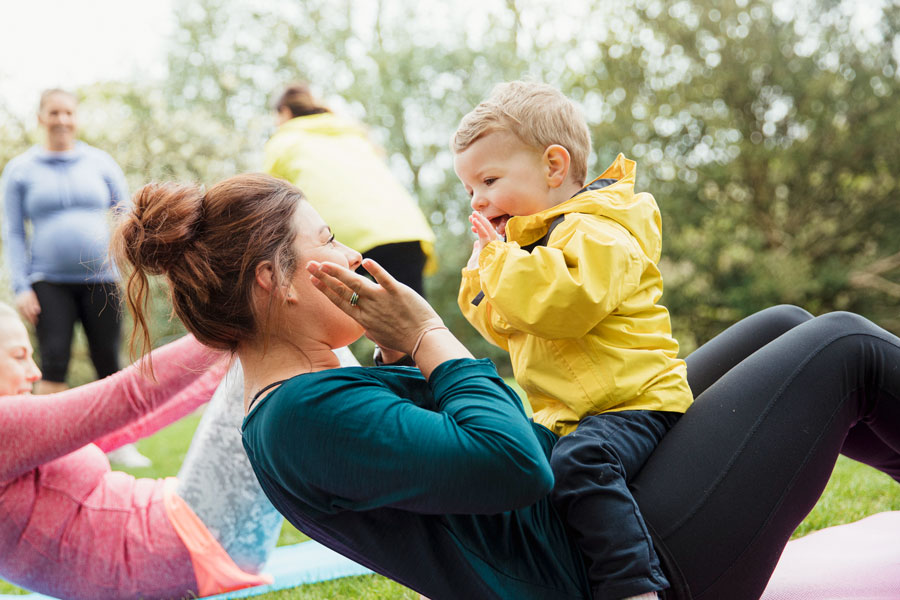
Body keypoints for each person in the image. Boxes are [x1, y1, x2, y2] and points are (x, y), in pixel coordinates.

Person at [112, 172, 900, 600]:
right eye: (327, 241)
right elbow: (513, 458)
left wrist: (403, 352)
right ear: (274, 282)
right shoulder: (300, 421)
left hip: (591, 517)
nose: (352, 256)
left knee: (785, 324)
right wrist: (426, 337)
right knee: (844, 347)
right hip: (615, 568)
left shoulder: (315, 392)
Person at [452, 81, 691, 599]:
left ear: (554, 167)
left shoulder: (595, 231)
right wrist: (481, 273)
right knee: (549, 467)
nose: (478, 199)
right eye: (470, 189)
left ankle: (634, 587)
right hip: (582, 412)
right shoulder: (533, 246)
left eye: (489, 179)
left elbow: (562, 306)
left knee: (581, 463)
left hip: (636, 402)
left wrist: (499, 261)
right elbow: (506, 324)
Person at [0, 301, 289, 600]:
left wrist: (221, 371)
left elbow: (130, 425)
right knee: (287, 347)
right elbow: (129, 395)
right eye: (19, 357)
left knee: (272, 350)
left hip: (188, 541)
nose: (34, 372)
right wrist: (234, 319)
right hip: (184, 550)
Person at [0, 88, 148, 467]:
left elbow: (126, 215)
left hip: (102, 278)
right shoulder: (20, 170)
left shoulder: (100, 163)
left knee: (108, 362)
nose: (62, 119)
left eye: (68, 112)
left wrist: (136, 264)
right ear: (40, 117)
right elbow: (14, 233)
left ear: (77, 117)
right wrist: (21, 287)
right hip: (48, 282)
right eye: (54, 112)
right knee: (52, 362)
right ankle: (45, 449)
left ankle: (121, 443)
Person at [264, 82, 437, 298]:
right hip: (404, 230)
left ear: (285, 111)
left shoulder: (282, 141)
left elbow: (272, 201)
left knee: (342, 316)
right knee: (416, 319)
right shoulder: (351, 133)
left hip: (347, 239)